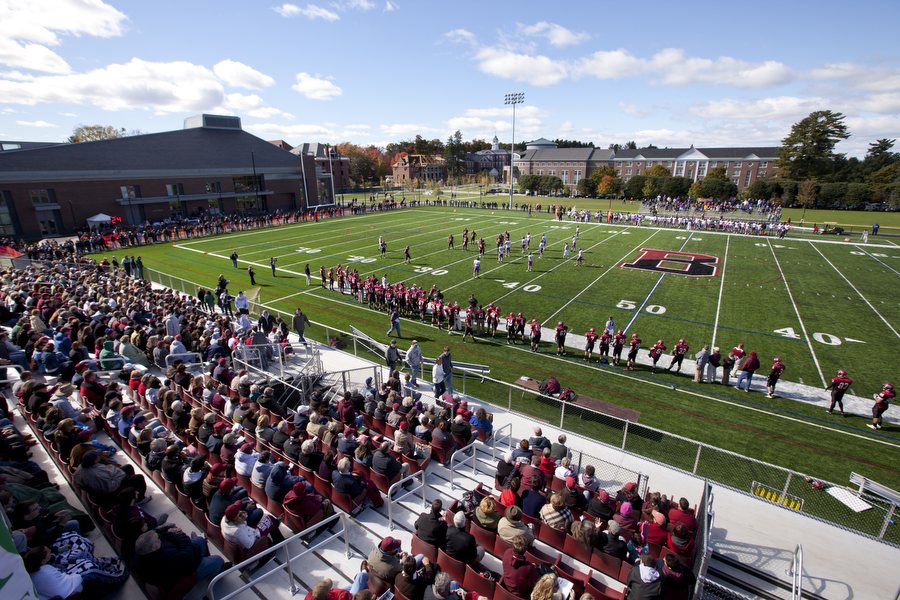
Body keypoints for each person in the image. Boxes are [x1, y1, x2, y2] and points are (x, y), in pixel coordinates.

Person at [133, 526, 225, 587]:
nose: (159, 538)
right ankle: (218, 573)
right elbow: (187, 555)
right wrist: (180, 534)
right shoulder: (166, 558)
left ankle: (201, 546)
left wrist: (171, 533)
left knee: (200, 540)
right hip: (188, 570)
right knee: (218, 560)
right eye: (158, 539)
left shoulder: (144, 552)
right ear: (154, 547)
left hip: (182, 555)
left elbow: (161, 535)